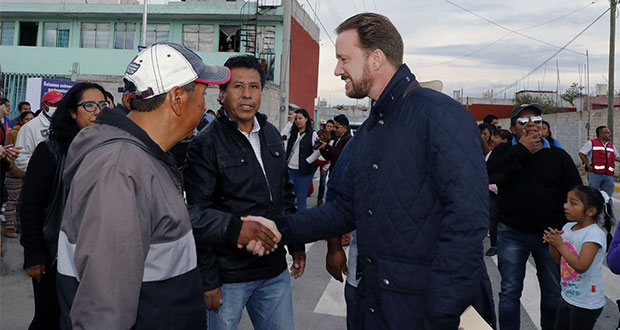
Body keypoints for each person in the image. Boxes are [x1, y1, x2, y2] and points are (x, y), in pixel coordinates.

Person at [243, 13, 495, 329]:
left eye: (344, 58)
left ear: (375, 58)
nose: (337, 69)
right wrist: (278, 228)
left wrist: (440, 314)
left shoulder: (442, 116)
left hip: (427, 312)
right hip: (377, 303)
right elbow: (345, 209)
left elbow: (467, 223)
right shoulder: (371, 131)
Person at [53, 42, 280, 330]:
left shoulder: (143, 158)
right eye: (202, 95)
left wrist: (235, 228)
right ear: (177, 99)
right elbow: (103, 312)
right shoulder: (120, 171)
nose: (204, 106)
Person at [183, 54, 304, 330]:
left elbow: (285, 196)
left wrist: (297, 245)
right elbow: (198, 216)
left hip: (274, 271)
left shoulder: (272, 134)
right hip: (229, 277)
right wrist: (208, 280)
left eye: (254, 86)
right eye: (238, 87)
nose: (247, 95)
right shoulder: (206, 144)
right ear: (222, 93)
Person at [19, 82, 107, 330]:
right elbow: (31, 207)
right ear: (71, 111)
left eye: (102, 105)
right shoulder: (49, 151)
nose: (97, 111)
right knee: (49, 318)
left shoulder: (106, 149)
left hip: (92, 255)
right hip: (54, 256)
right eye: (89, 105)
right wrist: (34, 254)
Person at [487, 103, 582, 330]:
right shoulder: (503, 151)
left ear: (543, 126)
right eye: (523, 121)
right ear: (513, 128)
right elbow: (490, 175)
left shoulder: (558, 155)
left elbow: (575, 191)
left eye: (536, 119)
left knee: (552, 292)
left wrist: (570, 226)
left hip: (550, 235)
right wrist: (521, 150)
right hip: (511, 233)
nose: (531, 124)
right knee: (509, 291)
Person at [543, 186, 614, 330]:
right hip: (567, 295)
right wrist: (553, 243)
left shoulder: (594, 234)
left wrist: (560, 245)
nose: (566, 206)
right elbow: (558, 259)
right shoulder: (568, 227)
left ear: (590, 211)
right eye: (566, 202)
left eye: (573, 203)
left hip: (586, 302)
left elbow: (581, 266)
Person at [281, 108, 321, 211]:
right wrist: (290, 122)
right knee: (286, 199)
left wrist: (307, 161)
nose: (298, 121)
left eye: (300, 118)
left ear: (306, 119)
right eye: (296, 119)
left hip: (304, 173)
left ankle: (301, 224)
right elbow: (281, 136)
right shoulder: (292, 133)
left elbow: (318, 151)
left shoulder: (312, 134)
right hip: (289, 170)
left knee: (301, 200)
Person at [14, 90, 63, 172]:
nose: (56, 108)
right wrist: (43, 169)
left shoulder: (65, 124)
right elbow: (21, 159)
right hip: (40, 178)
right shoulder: (30, 127)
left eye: (59, 105)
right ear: (44, 105)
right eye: (52, 104)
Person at [3, 111, 34, 238]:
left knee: (22, 201)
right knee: (13, 201)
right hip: (14, 172)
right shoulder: (13, 133)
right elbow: (8, 152)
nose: (30, 121)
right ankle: (9, 227)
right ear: (21, 120)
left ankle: (20, 225)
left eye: (32, 118)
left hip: (27, 172)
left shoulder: (33, 132)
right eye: (27, 119)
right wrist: (12, 168)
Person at [484, 128, 512, 257]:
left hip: (506, 192)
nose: (493, 139)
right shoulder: (491, 153)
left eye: (497, 137)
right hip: (492, 192)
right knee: (493, 219)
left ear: (505, 140)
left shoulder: (512, 152)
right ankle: (494, 245)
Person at [578, 126, 619, 200]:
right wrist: (587, 164)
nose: (610, 134)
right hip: (595, 174)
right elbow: (581, 153)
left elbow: (617, 157)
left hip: (608, 174)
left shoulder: (611, 145)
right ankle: (594, 210)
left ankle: (607, 210)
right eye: (607, 132)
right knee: (593, 195)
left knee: (607, 196)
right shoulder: (592, 143)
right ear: (601, 134)